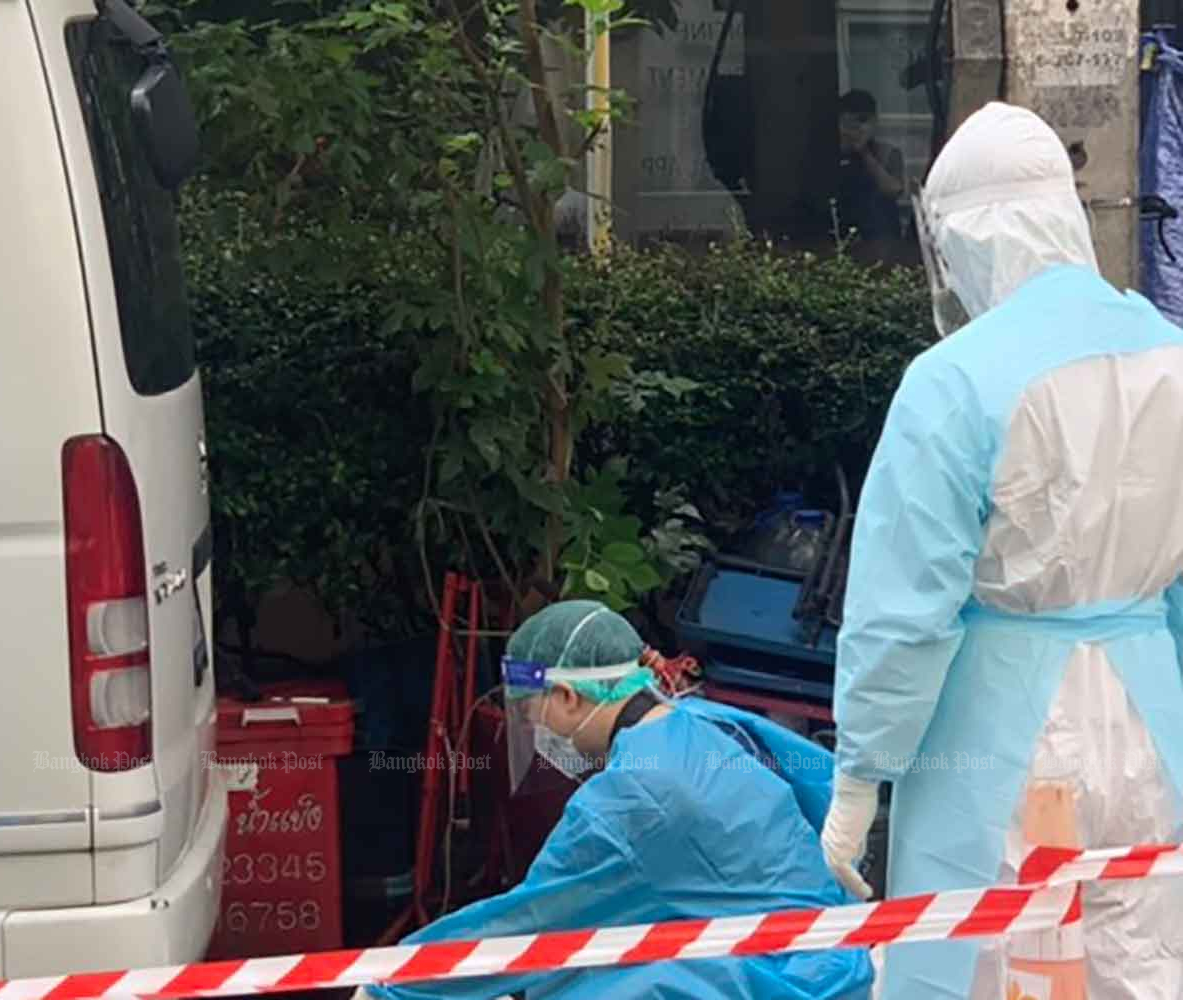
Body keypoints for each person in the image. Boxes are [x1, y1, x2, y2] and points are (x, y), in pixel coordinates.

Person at [823, 100, 1183, 999]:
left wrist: (862, 774)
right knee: (1143, 957)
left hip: (1002, 732)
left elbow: (904, 608)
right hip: (1152, 719)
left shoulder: (953, 382)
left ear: (964, 240)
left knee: (993, 961)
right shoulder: (1171, 358)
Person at [353, 601, 874, 1000]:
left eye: (535, 714)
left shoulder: (629, 802)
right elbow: (821, 784)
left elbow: (529, 925)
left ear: (568, 697)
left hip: (778, 979)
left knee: (579, 979)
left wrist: (393, 979)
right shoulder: (706, 721)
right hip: (834, 959)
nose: (536, 731)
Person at [834, 90, 905, 244]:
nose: (856, 128)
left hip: (880, 234)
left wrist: (865, 153)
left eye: (863, 121)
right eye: (849, 122)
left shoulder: (888, 153)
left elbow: (894, 190)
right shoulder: (832, 154)